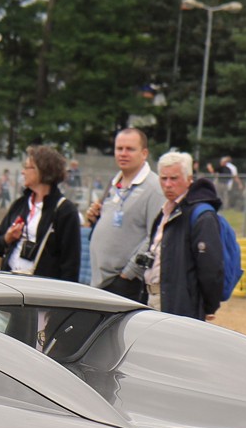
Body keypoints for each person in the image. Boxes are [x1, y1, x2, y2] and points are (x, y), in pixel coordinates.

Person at [82, 127, 163, 304]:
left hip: (125, 284)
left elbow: (155, 236)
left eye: (130, 149)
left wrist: (128, 274)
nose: (123, 154)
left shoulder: (154, 188)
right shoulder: (114, 183)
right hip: (101, 280)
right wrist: (95, 219)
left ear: (144, 153)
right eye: (119, 149)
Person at [144, 152, 224, 321]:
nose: (168, 184)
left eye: (174, 178)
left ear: (189, 179)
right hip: (153, 297)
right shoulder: (165, 211)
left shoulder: (202, 215)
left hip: (180, 305)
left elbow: (211, 267)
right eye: (163, 179)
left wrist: (208, 305)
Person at [0, 145, 81, 282]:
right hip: (9, 282)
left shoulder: (65, 211)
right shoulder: (20, 205)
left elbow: (71, 264)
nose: (23, 172)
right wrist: (7, 238)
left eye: (28, 167)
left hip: (40, 288)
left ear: (42, 171)